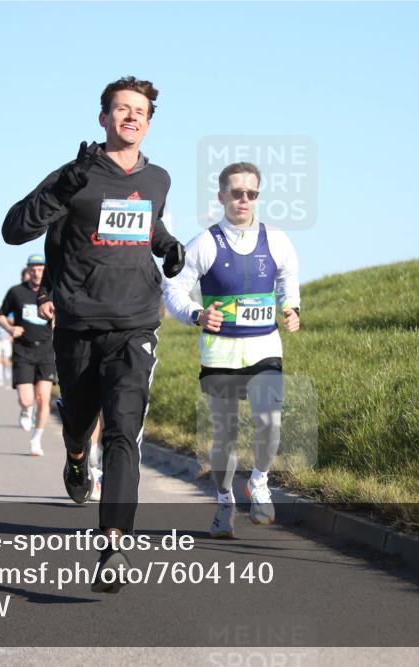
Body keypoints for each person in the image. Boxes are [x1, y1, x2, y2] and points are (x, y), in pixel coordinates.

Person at [2, 76, 185, 592]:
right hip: (78, 324)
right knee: (80, 421)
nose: (131, 117)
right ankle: (76, 457)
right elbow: (14, 229)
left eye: (140, 111)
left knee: (125, 430)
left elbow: (150, 227)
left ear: (149, 122)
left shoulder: (158, 179)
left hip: (136, 324)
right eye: (121, 109)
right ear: (103, 117)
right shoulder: (74, 175)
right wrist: (64, 187)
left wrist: (168, 247)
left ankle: (114, 545)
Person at [162, 162, 300, 539]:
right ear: (222, 196)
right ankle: (225, 502)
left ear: (257, 197)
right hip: (219, 355)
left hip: (264, 349)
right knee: (225, 435)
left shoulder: (277, 240)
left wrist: (292, 308)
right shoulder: (205, 243)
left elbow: (289, 279)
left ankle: (259, 482)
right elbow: (173, 288)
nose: (243, 200)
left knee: (270, 421)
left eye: (251, 194)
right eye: (236, 193)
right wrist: (195, 314)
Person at [0, 255, 56, 456]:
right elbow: (1, 314)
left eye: (40, 270)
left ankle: (36, 439)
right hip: (23, 350)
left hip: (47, 351)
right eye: (33, 270)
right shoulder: (16, 292)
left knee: (43, 398)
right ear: (28, 271)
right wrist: (9, 329)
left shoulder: (53, 292)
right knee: (27, 399)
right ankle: (25, 409)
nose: (37, 273)